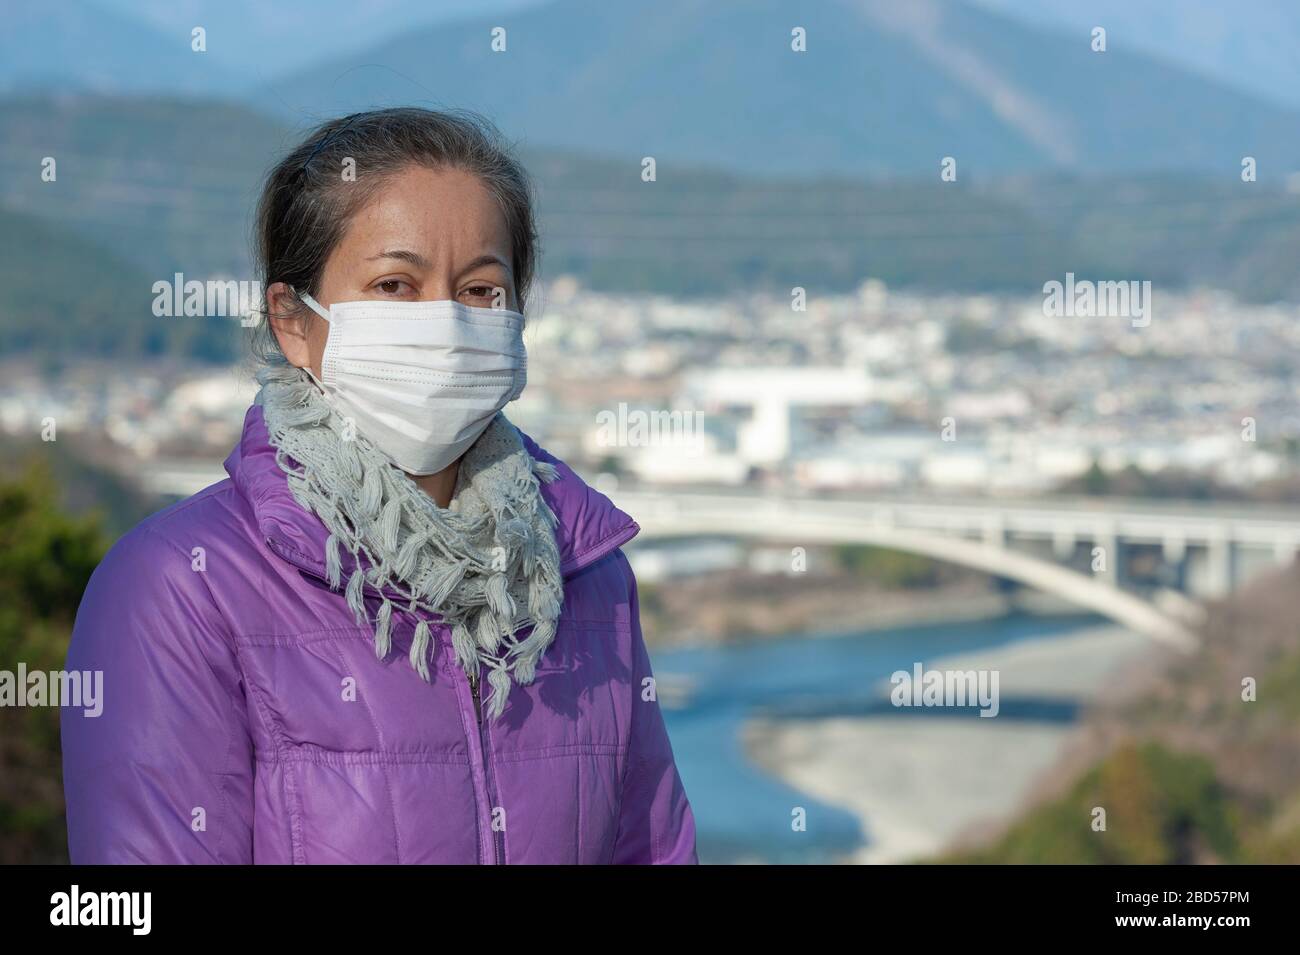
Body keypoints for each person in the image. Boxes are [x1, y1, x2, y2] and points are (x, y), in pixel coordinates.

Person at [60, 107, 698, 864]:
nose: (446, 325)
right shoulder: (179, 588)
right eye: (395, 284)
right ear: (294, 321)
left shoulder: (580, 575)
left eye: (481, 290)